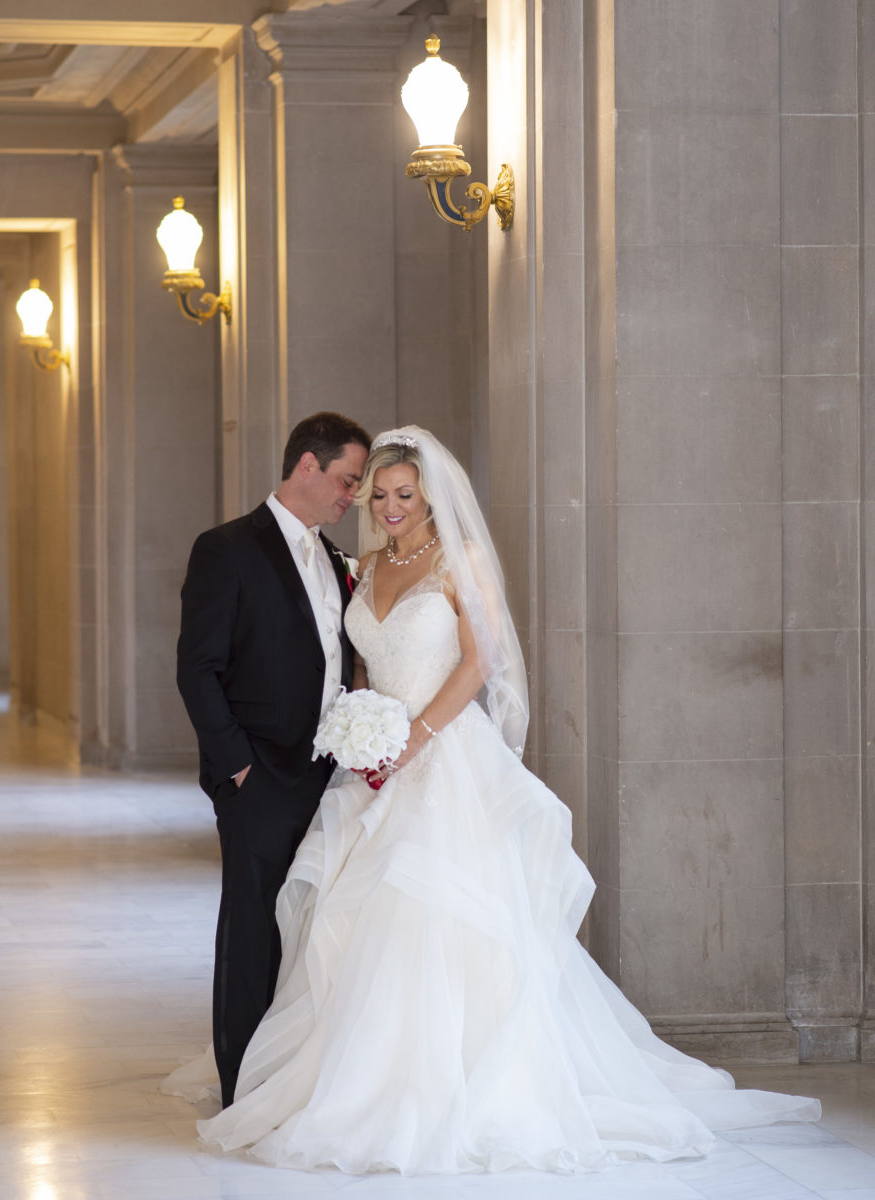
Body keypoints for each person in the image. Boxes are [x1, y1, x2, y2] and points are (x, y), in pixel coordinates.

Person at [165, 425, 819, 1173]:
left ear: (432, 495)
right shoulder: (365, 564)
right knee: (343, 922)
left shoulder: (458, 561)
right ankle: (335, 1075)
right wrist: (364, 730)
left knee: (439, 918)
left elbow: (481, 662)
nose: (382, 504)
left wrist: (415, 736)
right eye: (375, 492)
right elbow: (339, 665)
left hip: (442, 760)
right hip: (367, 768)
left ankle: (442, 1088)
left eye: (400, 493)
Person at [173, 411, 370, 1108]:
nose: (354, 496)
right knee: (253, 927)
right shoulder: (227, 548)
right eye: (347, 480)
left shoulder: (336, 558)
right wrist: (238, 768)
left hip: (330, 773)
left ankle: (290, 1072)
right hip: (259, 773)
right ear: (307, 467)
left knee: (311, 924)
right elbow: (197, 668)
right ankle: (241, 1083)